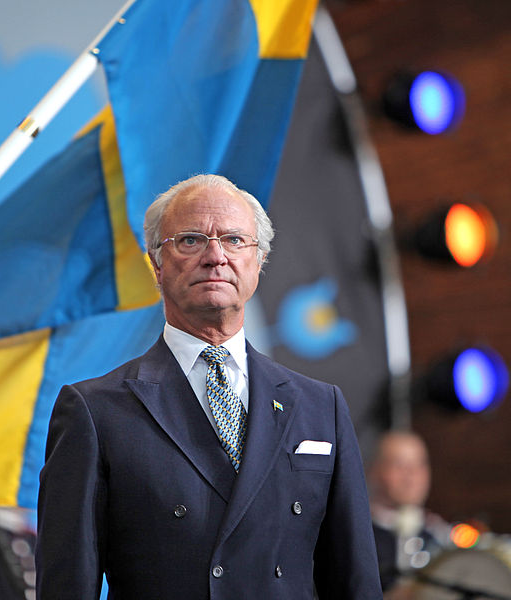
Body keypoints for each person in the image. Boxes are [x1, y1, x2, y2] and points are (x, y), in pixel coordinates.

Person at [36, 174, 382, 599]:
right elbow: (68, 585)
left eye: (235, 240)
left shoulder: (320, 406)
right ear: (156, 264)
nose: (215, 256)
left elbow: (355, 581)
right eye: (190, 240)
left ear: (259, 261)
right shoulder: (94, 411)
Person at [368, 431, 451, 595]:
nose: (412, 476)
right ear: (374, 471)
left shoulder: (439, 535)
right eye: (399, 465)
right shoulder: (357, 534)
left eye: (420, 465)